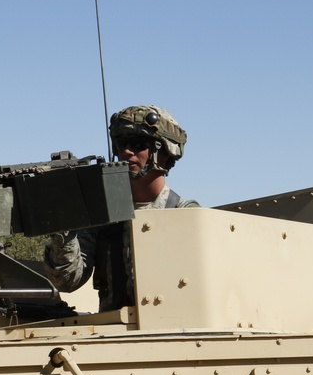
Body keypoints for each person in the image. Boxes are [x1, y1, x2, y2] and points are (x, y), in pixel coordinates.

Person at [44, 104, 199, 311]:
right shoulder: (103, 215)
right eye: (120, 144)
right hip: (113, 331)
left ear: (165, 151)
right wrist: (63, 226)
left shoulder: (186, 216)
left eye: (137, 144)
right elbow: (67, 281)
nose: (126, 152)